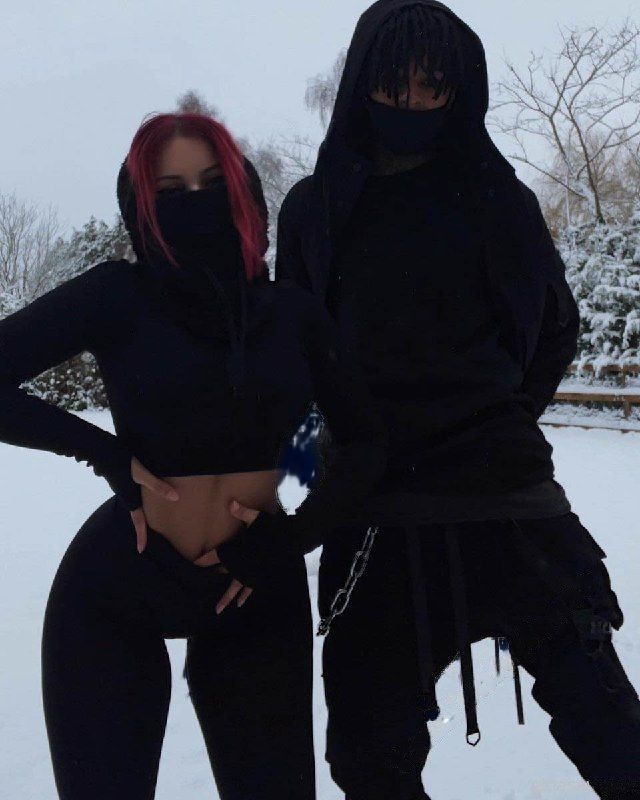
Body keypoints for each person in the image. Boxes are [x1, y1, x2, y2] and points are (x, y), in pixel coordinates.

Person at [249, 2, 640, 798]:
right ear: (362, 86)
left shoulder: (497, 200)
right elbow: (302, 357)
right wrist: (299, 469)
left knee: (610, 728)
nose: (415, 103)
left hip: (508, 500)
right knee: (369, 760)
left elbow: (552, 329)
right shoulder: (317, 210)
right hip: (375, 511)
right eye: (395, 86)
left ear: (460, 91)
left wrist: (494, 417)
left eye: (433, 86)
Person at [0, 111, 387, 799]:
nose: (196, 202)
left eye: (214, 183)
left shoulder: (291, 314)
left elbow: (367, 443)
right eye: (171, 191)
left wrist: (291, 540)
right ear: (141, 206)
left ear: (243, 192)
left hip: (256, 583)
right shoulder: (116, 295)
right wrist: (106, 455)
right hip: (116, 589)